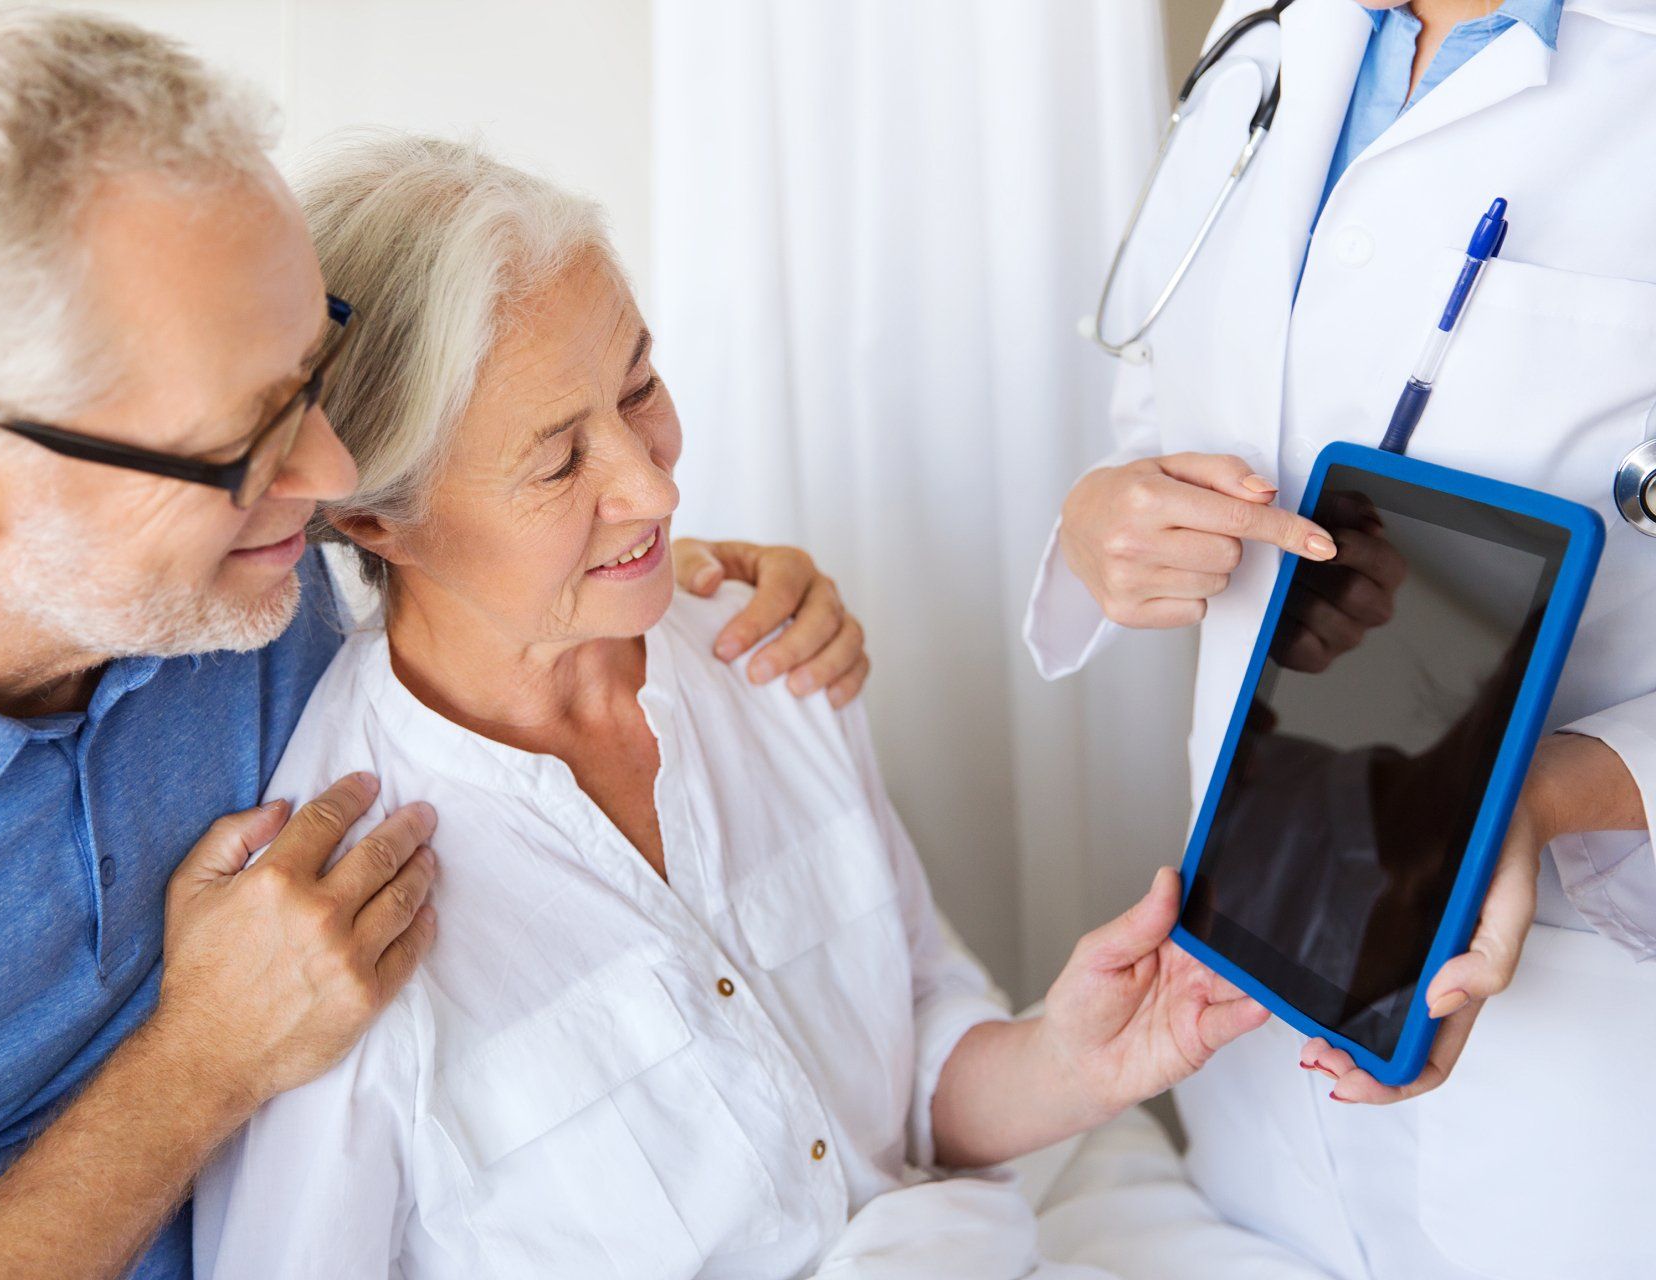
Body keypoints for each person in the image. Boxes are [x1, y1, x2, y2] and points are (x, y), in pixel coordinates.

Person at [0, 12, 869, 1280]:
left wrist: (682, 573)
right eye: (248, 437)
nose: (330, 480)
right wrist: (197, 1065)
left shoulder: (240, 579)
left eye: (313, 376)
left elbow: (470, 510)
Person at [190, 132, 1269, 1280]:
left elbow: (911, 1063)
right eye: (559, 461)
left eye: (640, 386)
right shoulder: (332, 914)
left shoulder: (769, 655)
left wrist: (1071, 1058)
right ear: (372, 520)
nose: (654, 482)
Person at [1028, 0, 1656, 1276]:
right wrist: (1108, 520)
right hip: (1254, 980)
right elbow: (1156, 389)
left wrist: (1552, 788)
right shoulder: (1266, 36)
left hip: (1591, 1057)